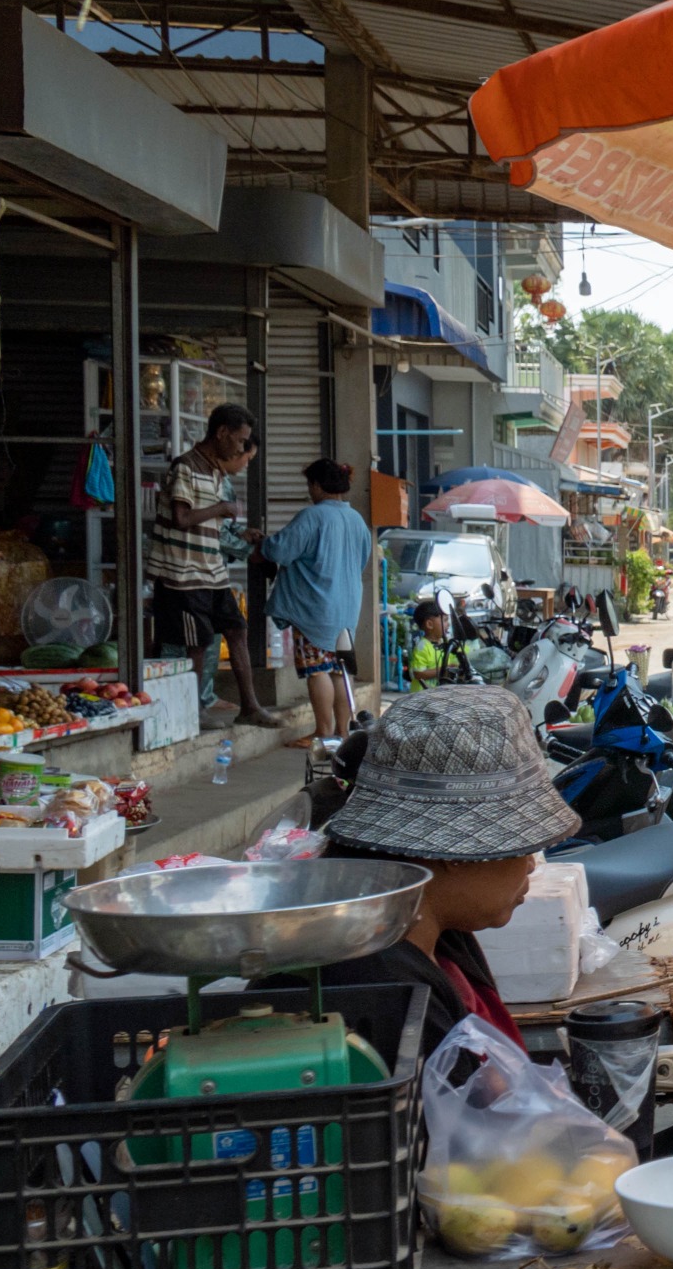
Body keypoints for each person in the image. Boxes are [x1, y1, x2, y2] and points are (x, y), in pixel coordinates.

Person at [317, 685, 583, 1057]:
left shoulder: (437, 933)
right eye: (519, 848)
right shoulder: (385, 995)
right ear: (455, 854)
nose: (530, 865)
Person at [151, 402, 280, 728]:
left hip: (211, 571)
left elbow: (212, 525)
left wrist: (228, 522)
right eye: (240, 441)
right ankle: (194, 711)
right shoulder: (185, 467)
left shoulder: (215, 472)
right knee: (197, 643)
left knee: (237, 630)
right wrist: (220, 508)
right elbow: (181, 518)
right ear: (221, 433)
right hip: (184, 573)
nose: (242, 447)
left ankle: (249, 706)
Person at [258, 459, 370, 748]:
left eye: (310, 484)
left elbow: (280, 550)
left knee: (317, 669)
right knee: (339, 669)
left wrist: (262, 542)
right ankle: (343, 734)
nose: (309, 491)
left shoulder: (313, 516)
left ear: (318, 486)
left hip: (316, 609)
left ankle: (322, 732)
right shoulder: (357, 520)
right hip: (346, 608)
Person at [405, 600, 452, 690]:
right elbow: (418, 674)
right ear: (429, 624)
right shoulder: (422, 647)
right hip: (422, 697)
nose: (448, 624)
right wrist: (444, 670)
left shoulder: (444, 644)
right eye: (445, 620)